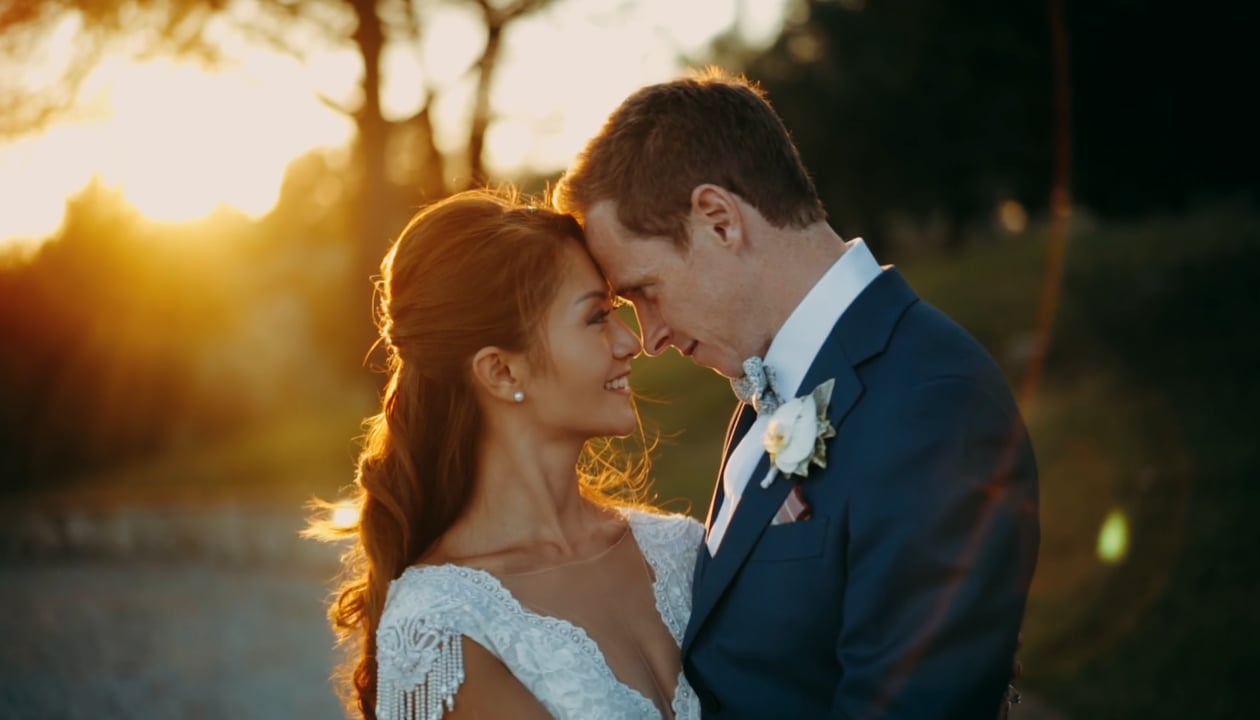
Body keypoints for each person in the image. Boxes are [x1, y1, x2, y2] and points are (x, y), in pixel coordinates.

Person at [553, 68, 1041, 718]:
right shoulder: (770, 387)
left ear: (719, 220)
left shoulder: (933, 402)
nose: (651, 338)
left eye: (645, 290)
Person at [310, 190, 705, 719]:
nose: (629, 342)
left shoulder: (682, 548)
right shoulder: (442, 627)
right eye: (595, 317)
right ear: (501, 371)